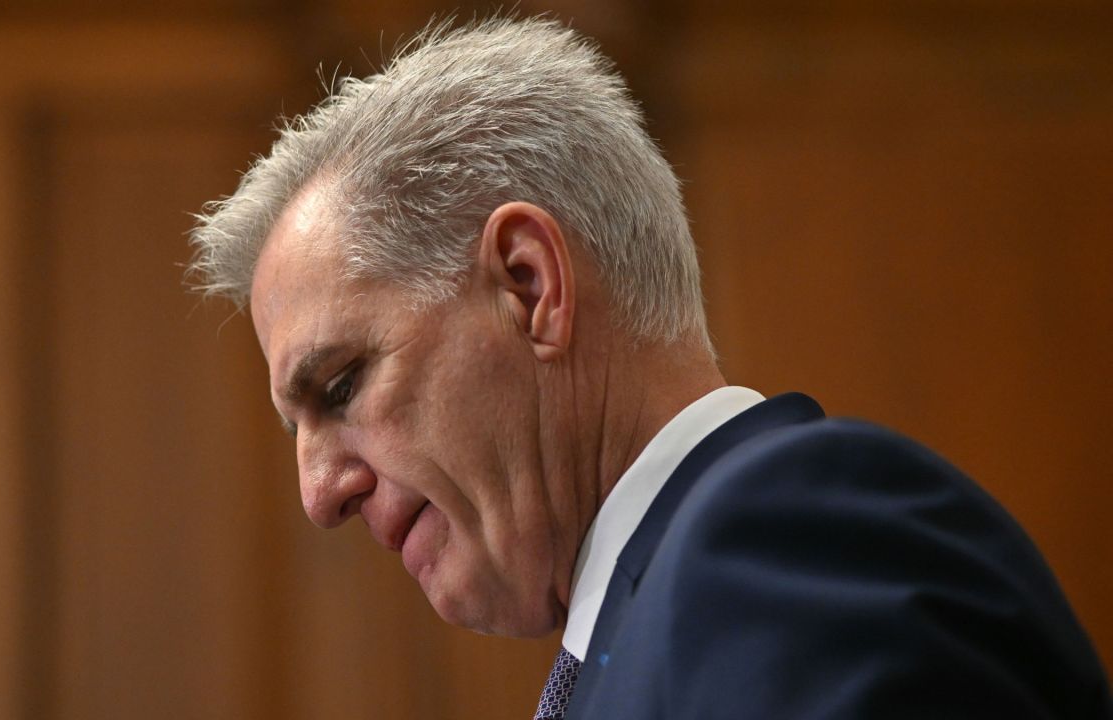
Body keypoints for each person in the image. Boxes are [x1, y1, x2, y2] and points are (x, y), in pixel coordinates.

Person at [187, 16, 1111, 719]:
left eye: (341, 386)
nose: (318, 493)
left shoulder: (780, 543)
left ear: (528, 284)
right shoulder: (657, 618)